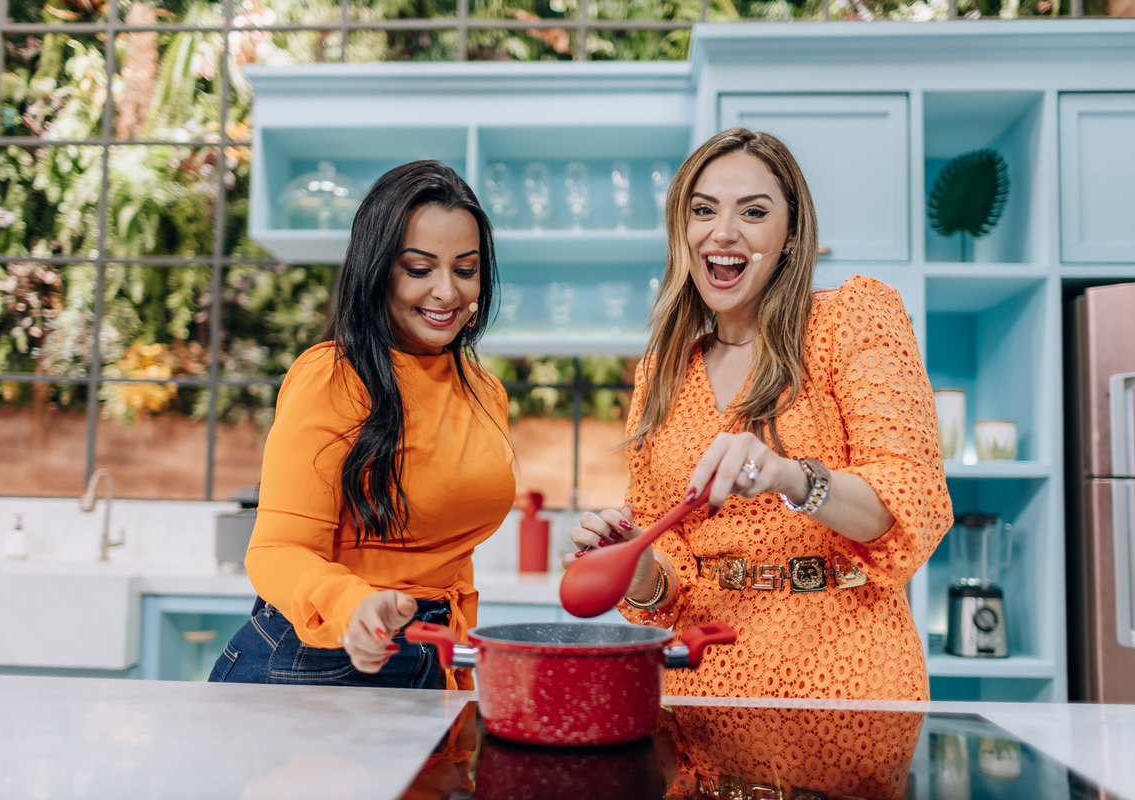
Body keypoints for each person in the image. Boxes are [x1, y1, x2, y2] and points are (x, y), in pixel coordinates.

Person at [566, 128, 952, 700]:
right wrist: (641, 568)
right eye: (703, 210)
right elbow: (670, 574)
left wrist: (789, 476)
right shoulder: (663, 372)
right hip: (701, 687)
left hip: (846, 683)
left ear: (790, 234)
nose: (723, 232)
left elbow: (906, 503)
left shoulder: (851, 320)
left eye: (753, 212)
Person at [210, 161, 515, 690]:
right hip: (318, 659)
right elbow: (275, 551)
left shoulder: (483, 391)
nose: (447, 291)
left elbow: (446, 547)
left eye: (465, 269)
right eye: (419, 269)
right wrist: (355, 608)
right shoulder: (332, 377)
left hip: (429, 655)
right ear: (378, 271)